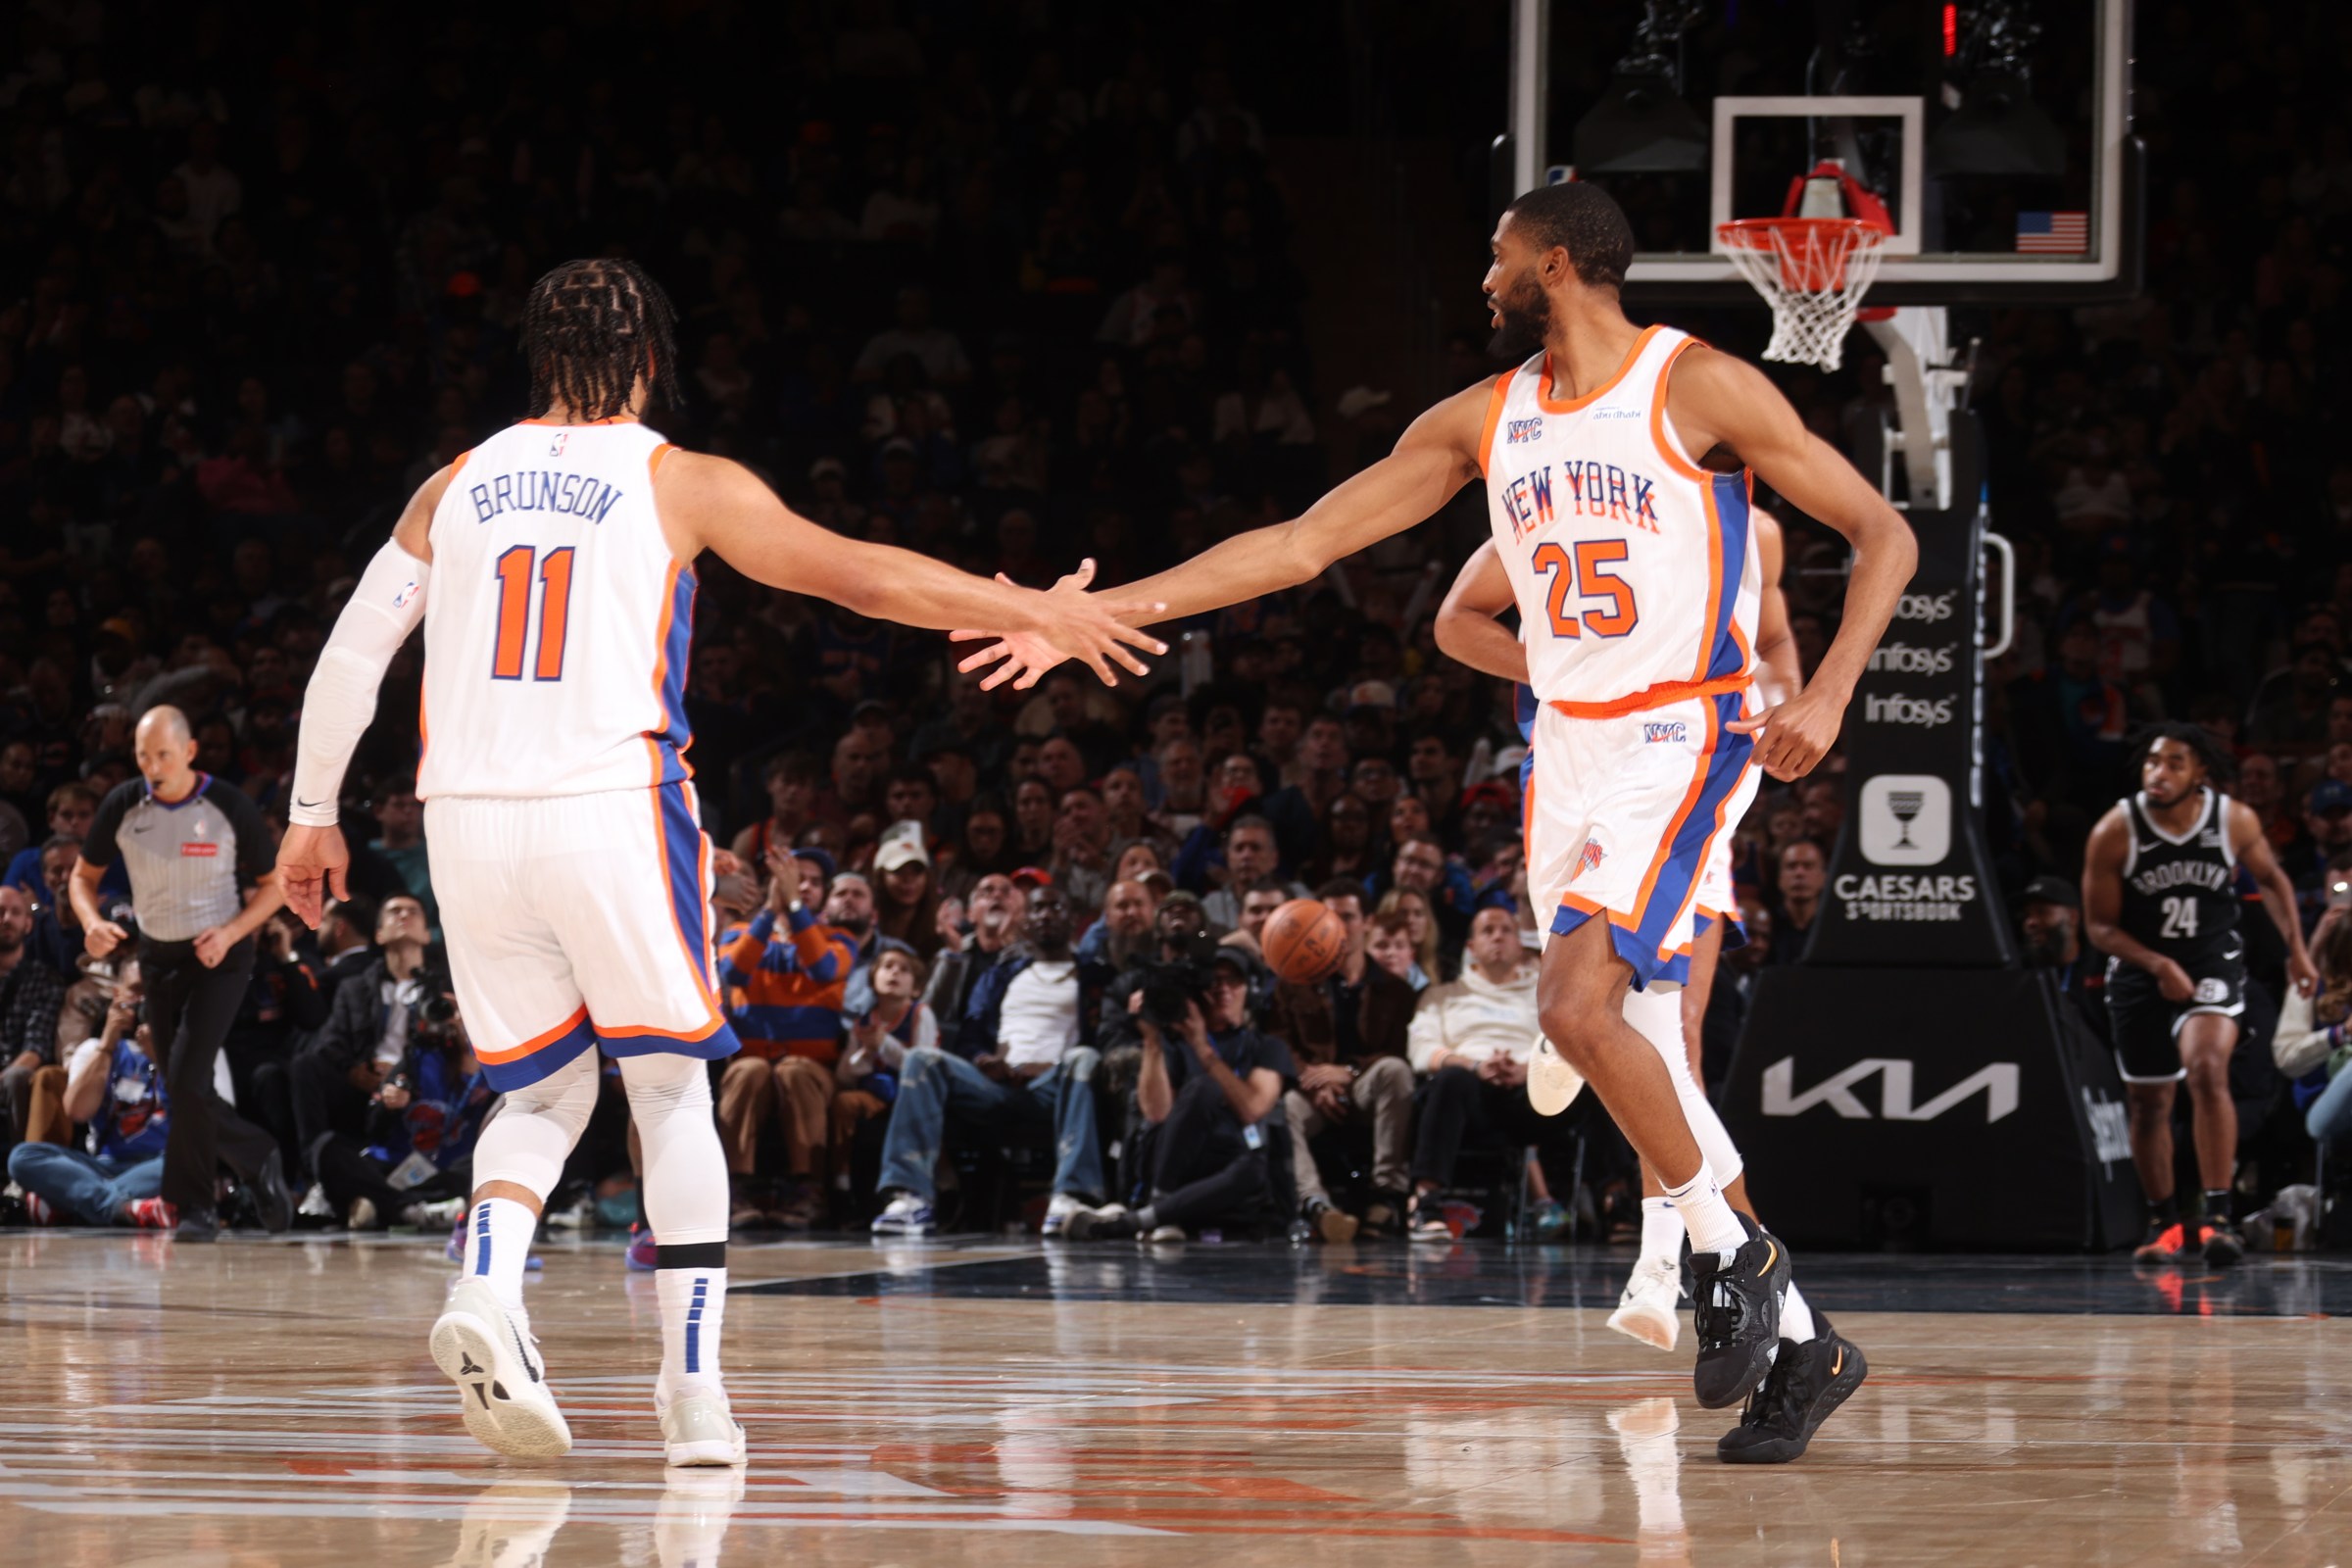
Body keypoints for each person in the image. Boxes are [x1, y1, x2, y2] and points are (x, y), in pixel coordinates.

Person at [954, 179, 1912, 1462]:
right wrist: (1099, 611)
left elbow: (1884, 532)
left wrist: (1834, 691)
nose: (1483, 278)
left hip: (1680, 730)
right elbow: (1302, 543)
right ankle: (1800, 1339)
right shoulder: (1483, 418)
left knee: (1574, 1012)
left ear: (1558, 263)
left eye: (1499, 256)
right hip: (1562, 747)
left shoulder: (1701, 387)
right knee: (1639, 1055)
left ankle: (1735, 1266)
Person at [271, 259, 1163, 1470]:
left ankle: (487, 1284)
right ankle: (692, 1398)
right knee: (668, 1089)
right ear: (647, 361)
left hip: (463, 819)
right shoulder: (676, 477)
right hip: (610, 804)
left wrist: (312, 812)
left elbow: (346, 658)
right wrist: (1029, 612)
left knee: (539, 1095)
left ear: (538, 358)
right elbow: (859, 572)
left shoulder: (454, 483)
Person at [1433, 502, 1805, 1349]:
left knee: (1674, 1041)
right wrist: (1572, 667)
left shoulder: (1759, 528)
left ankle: (1666, 1262)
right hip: (1586, 764)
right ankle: (1747, 1288)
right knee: (1626, 1031)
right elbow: (1455, 621)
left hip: (1699, 766)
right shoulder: (1557, 500)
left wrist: (1785, 696)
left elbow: (1776, 640)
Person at [2082, 723, 2316, 1269]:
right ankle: (2163, 1222)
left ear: (2200, 773)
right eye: (2152, 763)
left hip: (2211, 960)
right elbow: (2098, 927)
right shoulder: (2116, 829)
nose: (2159, 773)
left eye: (2174, 763)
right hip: (2141, 965)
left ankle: (2218, 1216)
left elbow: (2274, 882)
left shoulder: (2231, 818)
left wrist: (2297, 951)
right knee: (2149, 1102)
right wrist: (2158, 963)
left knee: (2208, 1069)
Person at [71, 706, 291, 1242]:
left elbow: (276, 885)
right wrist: (91, 921)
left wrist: (233, 932)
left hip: (220, 953)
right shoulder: (123, 804)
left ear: (189, 752)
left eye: (163, 754)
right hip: (158, 957)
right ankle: (256, 1155)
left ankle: (193, 1207)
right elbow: (83, 876)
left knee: (189, 1079)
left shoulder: (228, 805)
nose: (152, 765)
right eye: (143, 756)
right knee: (180, 1085)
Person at [868, 886, 1107, 1237]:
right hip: (994, 1084)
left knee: (1084, 1057)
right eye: (1038, 908)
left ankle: (1070, 1198)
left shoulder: (1095, 975)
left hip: (1055, 1083)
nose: (1046, 915)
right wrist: (984, 1060)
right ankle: (911, 1198)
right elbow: (971, 1033)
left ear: (1074, 920)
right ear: (1025, 922)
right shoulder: (1001, 975)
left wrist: (1047, 1066)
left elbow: (1102, 1035)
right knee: (922, 1059)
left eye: (1056, 906)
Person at [1067, 946, 1294, 1242]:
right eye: (1214, 981)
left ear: (1248, 990)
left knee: (1253, 1169)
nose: (1223, 989)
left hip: (1228, 1167)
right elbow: (1157, 1113)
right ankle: (1162, 1203)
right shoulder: (1172, 1045)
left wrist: (1203, 1049)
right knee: (1203, 1088)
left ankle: (1144, 1218)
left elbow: (1253, 1108)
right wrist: (1152, 1040)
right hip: (1175, 1159)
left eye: (1232, 981)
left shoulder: (1267, 1047)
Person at [1402, 906, 1569, 1240]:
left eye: (1506, 930)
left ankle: (1618, 1199)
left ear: (1519, 946)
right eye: (1487, 930)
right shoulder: (1443, 996)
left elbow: (1569, 1048)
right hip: (1469, 1097)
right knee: (1450, 1079)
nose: (1497, 936)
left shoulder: (1545, 995)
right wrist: (1474, 1066)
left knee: (1596, 1083)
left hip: (1532, 1096)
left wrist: (1529, 1070)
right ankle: (1425, 1201)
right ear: (1470, 947)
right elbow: (1420, 1050)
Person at [714, 846, 859, 1227]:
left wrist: (793, 905)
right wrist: (771, 910)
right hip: (753, 1059)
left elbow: (824, 968)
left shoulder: (840, 938)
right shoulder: (740, 932)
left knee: (794, 1070)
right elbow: (732, 974)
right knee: (749, 1071)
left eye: (812, 881)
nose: (805, 886)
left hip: (813, 1068)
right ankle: (736, 1188)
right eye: (796, 878)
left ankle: (808, 1189)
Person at [1267, 880, 1416, 1242]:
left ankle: (1386, 1197)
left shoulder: (1396, 990)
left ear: (1367, 923)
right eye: (1327, 916)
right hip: (1314, 1092)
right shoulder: (1292, 983)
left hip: (1365, 1087)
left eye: (1347, 916)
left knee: (1395, 1071)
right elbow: (1278, 1041)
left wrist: (1348, 1072)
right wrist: (1312, 1081)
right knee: (1286, 1106)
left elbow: (1399, 1051)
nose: (1336, 925)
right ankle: (1316, 1205)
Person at [5, 968, 176, 1228]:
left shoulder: (193, 1047)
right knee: (23, 1157)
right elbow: (76, 1111)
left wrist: (162, 1059)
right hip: (100, 1165)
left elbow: (206, 1126)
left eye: (151, 992)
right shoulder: (92, 1049)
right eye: (136, 990)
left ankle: (75, 1205)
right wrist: (108, 1043)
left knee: (187, 1168)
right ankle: (125, 1207)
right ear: (118, 993)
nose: (144, 1000)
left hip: (159, 1162)